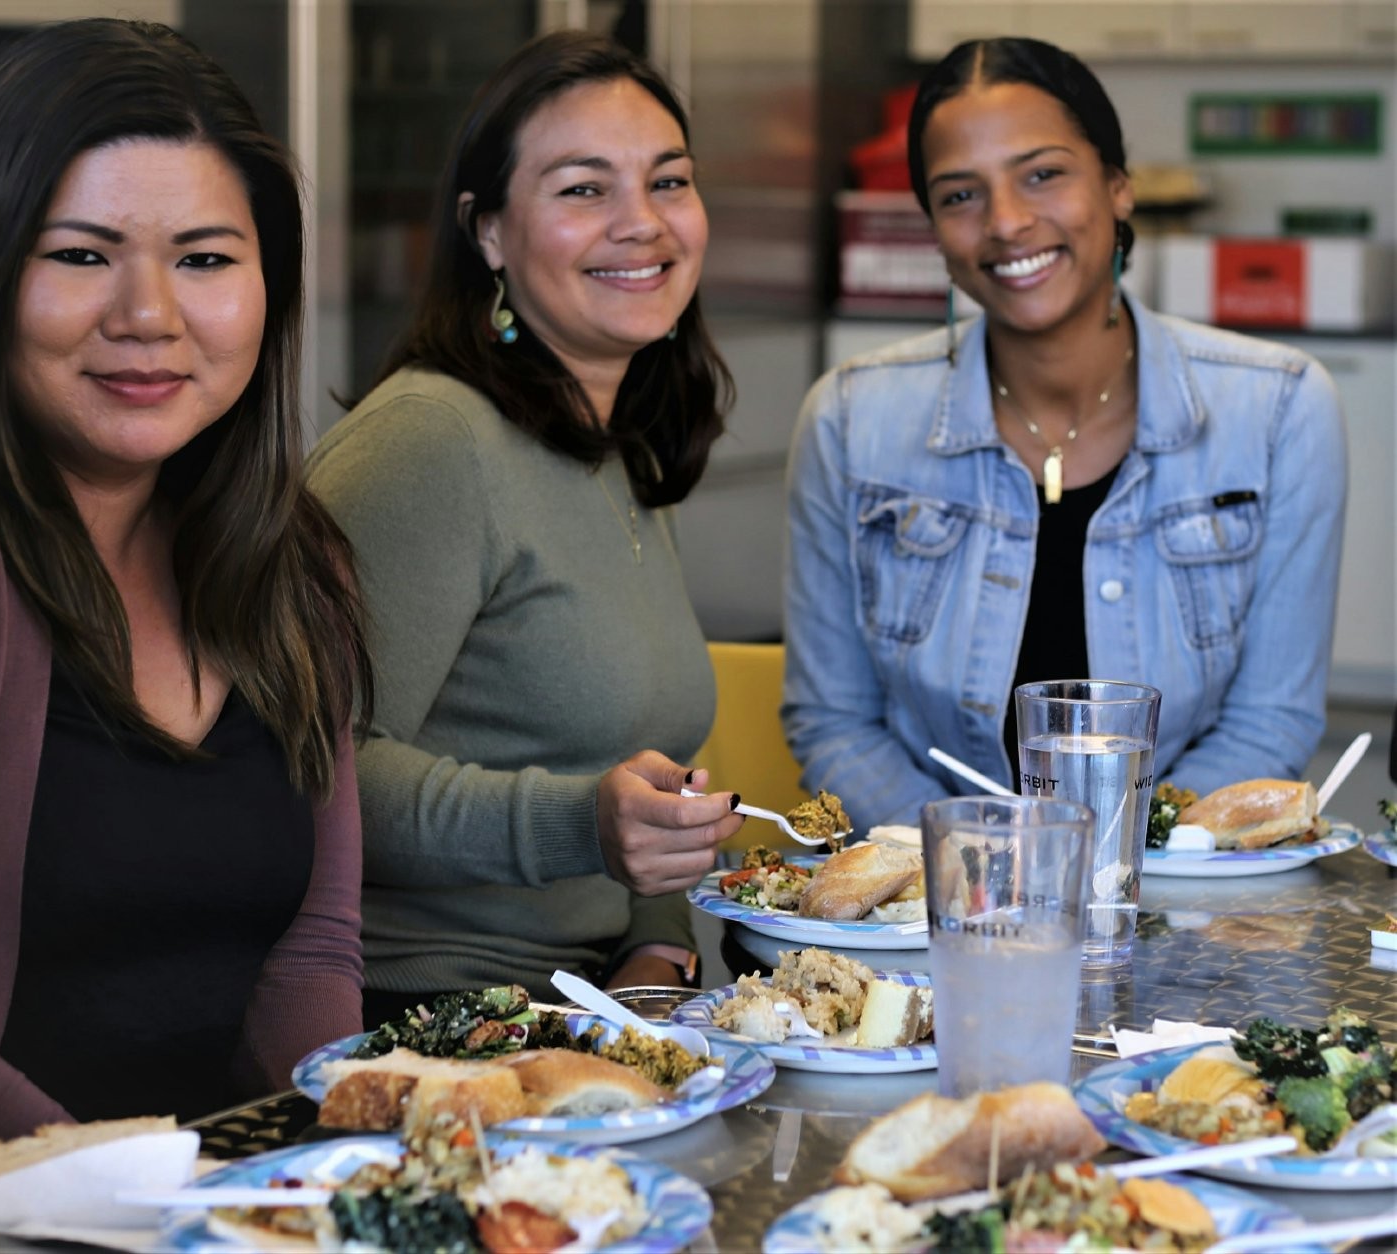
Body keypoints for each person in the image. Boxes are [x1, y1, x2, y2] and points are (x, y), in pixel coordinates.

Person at [0, 19, 373, 1179]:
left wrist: (372, 1148)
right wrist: (140, 1188)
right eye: (80, 254)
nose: (148, 314)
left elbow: (311, 949)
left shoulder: (289, 551)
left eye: (206, 258)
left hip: (224, 1190)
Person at [783, 37, 1346, 831]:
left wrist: (1111, 862)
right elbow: (834, 720)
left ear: (1118, 188)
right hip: (936, 912)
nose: (1007, 222)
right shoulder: (848, 420)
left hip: (1175, 902)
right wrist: (984, 875)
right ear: (935, 230)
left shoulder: (1280, 409)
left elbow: (1270, 721)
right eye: (959, 195)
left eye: (1042, 174)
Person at [308, 29, 742, 1022]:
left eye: (668, 181)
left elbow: (645, 785)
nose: (643, 224)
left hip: (593, 1006)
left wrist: (657, 954)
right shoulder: (431, 442)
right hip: (424, 1019)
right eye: (584, 189)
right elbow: (311, 772)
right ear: (489, 232)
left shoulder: (614, 442)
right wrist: (576, 824)